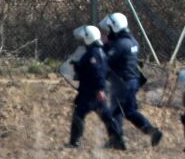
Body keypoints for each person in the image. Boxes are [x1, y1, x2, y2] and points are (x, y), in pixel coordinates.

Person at [99, 13, 164, 147]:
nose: (107, 32)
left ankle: (117, 139)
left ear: (115, 28)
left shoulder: (119, 44)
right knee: (129, 111)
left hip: (123, 83)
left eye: (108, 29)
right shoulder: (132, 41)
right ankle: (151, 131)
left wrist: (102, 46)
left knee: (115, 111)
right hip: (132, 80)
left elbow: (105, 60)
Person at [66, 25, 126, 150]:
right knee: (107, 116)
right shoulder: (99, 51)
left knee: (79, 114)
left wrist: (99, 88)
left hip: (91, 92)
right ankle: (118, 140)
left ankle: (74, 142)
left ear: (88, 38)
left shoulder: (93, 53)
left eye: (84, 38)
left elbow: (97, 71)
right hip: (94, 90)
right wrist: (78, 65)